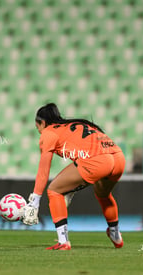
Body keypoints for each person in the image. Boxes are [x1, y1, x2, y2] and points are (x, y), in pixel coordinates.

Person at [22, 103, 125, 250]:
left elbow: (44, 169)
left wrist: (35, 201)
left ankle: (63, 241)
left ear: (42, 123)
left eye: (37, 126)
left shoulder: (48, 133)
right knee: (103, 194)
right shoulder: (75, 124)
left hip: (98, 161)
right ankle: (115, 233)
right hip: (118, 157)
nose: (38, 130)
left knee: (55, 190)